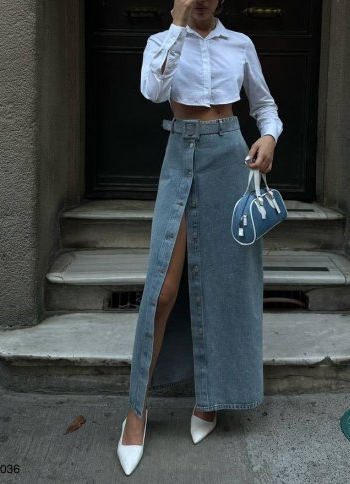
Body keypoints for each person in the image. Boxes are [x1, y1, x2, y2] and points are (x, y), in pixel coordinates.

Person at [117, 0, 283, 475]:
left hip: (230, 157)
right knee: (164, 288)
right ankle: (136, 410)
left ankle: (211, 398)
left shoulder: (240, 44)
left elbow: (265, 106)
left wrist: (268, 137)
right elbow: (153, 91)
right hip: (181, 153)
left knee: (225, 283)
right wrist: (176, 25)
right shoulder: (161, 42)